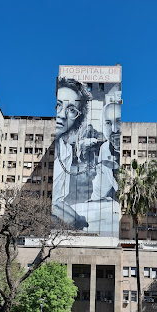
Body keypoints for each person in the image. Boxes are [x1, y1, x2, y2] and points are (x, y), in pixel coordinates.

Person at [53, 77, 93, 229]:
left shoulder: (66, 151)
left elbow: (57, 200)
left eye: (71, 110)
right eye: (58, 105)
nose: (62, 115)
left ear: (78, 118)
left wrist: (77, 218)